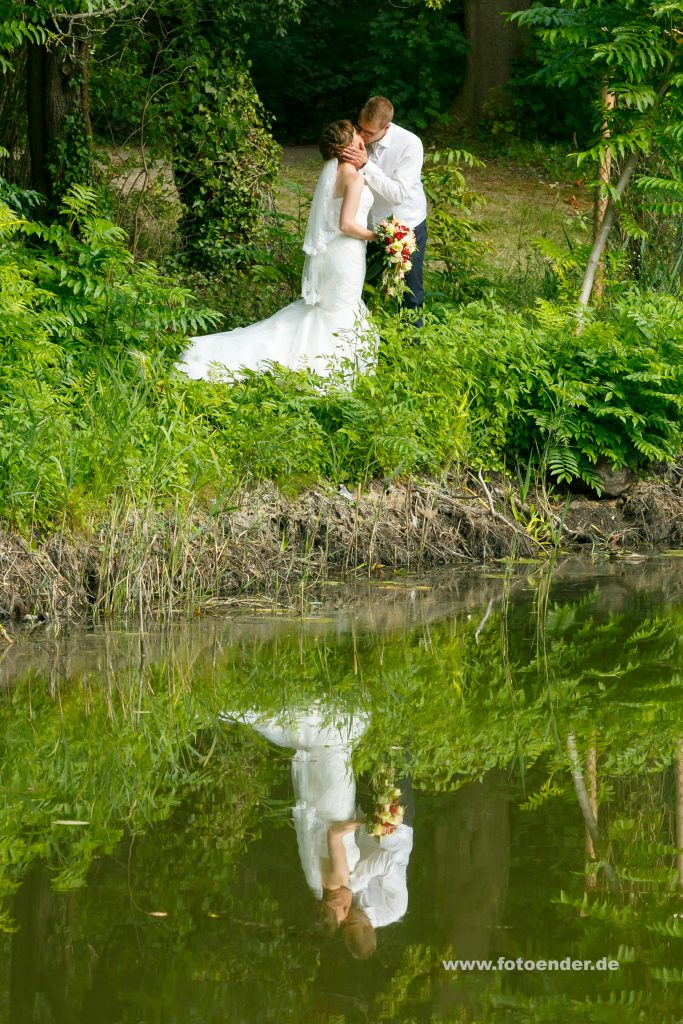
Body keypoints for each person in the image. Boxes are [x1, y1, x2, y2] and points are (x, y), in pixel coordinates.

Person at [177, 120, 377, 380]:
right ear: (348, 147)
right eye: (356, 135)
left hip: (333, 251)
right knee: (339, 307)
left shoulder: (333, 175)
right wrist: (379, 236)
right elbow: (346, 223)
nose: (362, 137)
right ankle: (330, 366)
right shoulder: (355, 178)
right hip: (346, 252)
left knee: (331, 308)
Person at [342, 96, 428, 321]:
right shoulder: (358, 137)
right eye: (360, 128)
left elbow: (398, 194)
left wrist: (366, 165)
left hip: (405, 225)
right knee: (362, 285)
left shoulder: (410, 144)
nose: (363, 135)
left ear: (386, 127)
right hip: (367, 225)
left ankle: (412, 343)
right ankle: (361, 335)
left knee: (410, 290)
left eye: (369, 133)